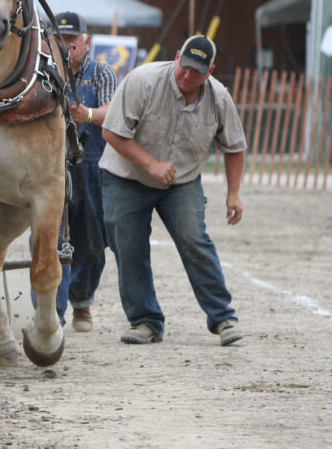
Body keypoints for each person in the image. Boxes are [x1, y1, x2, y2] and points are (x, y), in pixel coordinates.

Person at [100, 34, 247, 346]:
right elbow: (112, 131)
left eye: (197, 71)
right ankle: (145, 321)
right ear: (177, 56)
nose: (187, 74)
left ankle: (223, 318)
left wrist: (233, 193)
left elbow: (235, 146)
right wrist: (151, 164)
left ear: (210, 71)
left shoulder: (219, 98)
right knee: (129, 245)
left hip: (181, 182)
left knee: (195, 241)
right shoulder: (143, 81)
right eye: (184, 66)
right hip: (127, 175)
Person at [53, 12, 117, 333]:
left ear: (85, 41)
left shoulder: (101, 72)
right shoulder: (48, 72)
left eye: (72, 41)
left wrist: (87, 114)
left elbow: (110, 112)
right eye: (61, 40)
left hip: (91, 164)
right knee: (55, 239)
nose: (67, 47)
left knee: (92, 240)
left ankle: (82, 302)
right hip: (53, 166)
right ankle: (54, 313)